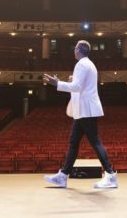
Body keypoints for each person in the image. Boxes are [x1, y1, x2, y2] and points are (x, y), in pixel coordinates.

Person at [42, 40, 117, 189]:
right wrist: (71, 80)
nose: (74, 50)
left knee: (95, 142)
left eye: (75, 47)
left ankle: (110, 175)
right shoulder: (88, 64)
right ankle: (63, 176)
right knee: (73, 143)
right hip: (83, 110)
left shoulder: (81, 64)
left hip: (86, 110)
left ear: (79, 50)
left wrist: (58, 83)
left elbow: (76, 87)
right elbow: (80, 85)